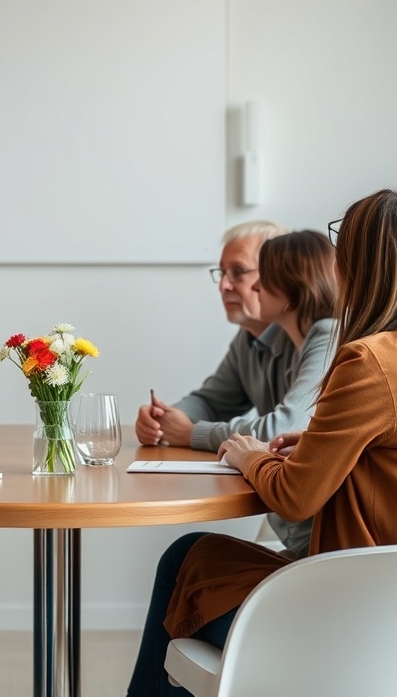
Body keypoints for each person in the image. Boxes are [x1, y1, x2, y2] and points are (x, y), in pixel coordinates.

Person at [126, 189, 397, 697]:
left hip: (373, 618)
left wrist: (249, 454)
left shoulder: (375, 360)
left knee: (187, 559)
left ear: (358, 263)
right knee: (195, 559)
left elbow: (295, 499)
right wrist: (318, 446)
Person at [136, 221, 337, 555]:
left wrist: (191, 434)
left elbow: (287, 427)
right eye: (221, 273)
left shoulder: (323, 335)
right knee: (189, 554)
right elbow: (211, 400)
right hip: (295, 531)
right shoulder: (250, 340)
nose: (225, 286)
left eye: (239, 272)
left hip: (321, 542)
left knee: (191, 555)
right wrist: (165, 419)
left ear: (285, 276)